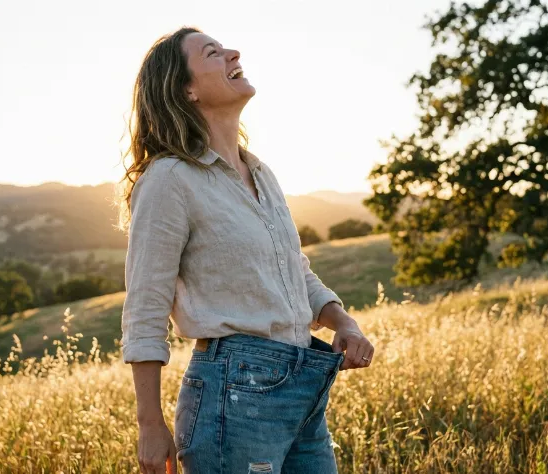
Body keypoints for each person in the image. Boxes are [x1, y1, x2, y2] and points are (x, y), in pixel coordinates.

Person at [116, 26, 375, 474]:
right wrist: (149, 423)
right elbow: (145, 307)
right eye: (213, 53)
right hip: (232, 396)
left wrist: (343, 321)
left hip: (304, 387)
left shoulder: (261, 173)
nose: (233, 53)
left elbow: (294, 270)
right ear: (187, 90)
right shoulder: (168, 179)